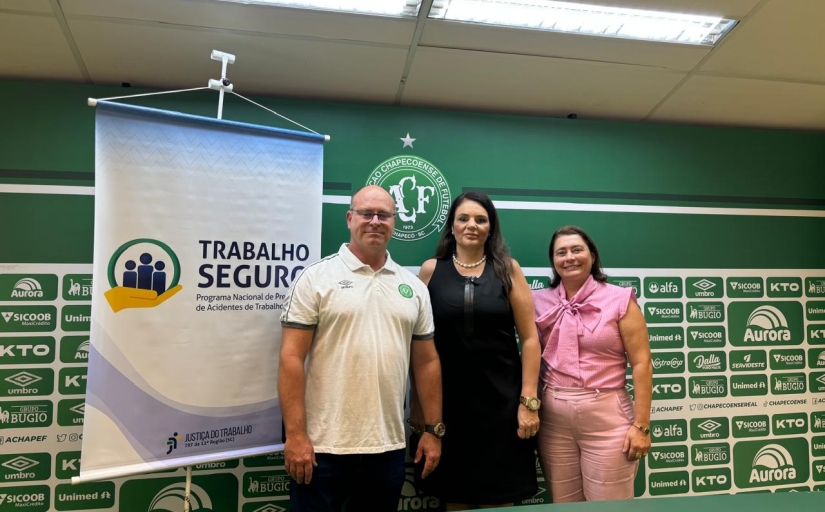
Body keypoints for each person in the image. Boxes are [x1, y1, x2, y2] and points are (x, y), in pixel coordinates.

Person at [278, 185, 444, 512]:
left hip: (388, 447)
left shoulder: (412, 287)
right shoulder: (315, 279)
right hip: (321, 447)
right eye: (367, 213)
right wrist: (295, 436)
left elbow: (427, 362)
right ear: (349, 218)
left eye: (383, 215)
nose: (375, 221)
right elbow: (291, 357)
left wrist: (433, 430)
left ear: (394, 222)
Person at [412, 190, 541, 509]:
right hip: (448, 408)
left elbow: (529, 339)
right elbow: (418, 346)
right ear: (451, 226)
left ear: (491, 227)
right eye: (464, 218)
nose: (472, 225)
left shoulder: (508, 269)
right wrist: (419, 407)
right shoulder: (430, 270)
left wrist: (528, 401)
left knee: (501, 498)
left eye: (481, 219)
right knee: (455, 498)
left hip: (502, 406)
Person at [533, 225, 652, 502]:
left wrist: (642, 426)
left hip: (607, 418)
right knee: (564, 504)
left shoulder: (620, 299)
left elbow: (642, 363)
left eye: (577, 249)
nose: (569, 257)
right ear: (553, 261)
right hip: (553, 420)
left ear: (592, 255)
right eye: (561, 252)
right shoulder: (537, 301)